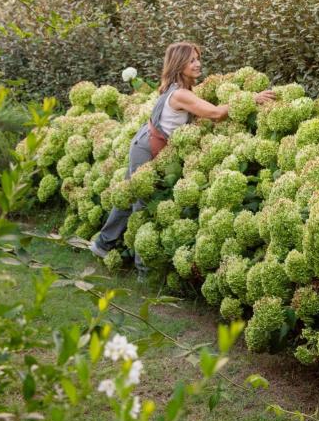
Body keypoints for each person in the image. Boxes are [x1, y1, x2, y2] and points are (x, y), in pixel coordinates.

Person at [89, 41, 275, 272]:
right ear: (179, 64)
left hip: (147, 143)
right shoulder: (179, 94)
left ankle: (102, 244)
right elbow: (215, 114)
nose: (198, 64)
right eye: (192, 60)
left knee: (132, 196)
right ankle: (142, 270)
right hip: (146, 148)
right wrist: (251, 98)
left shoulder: (181, 89)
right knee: (142, 206)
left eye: (198, 59)